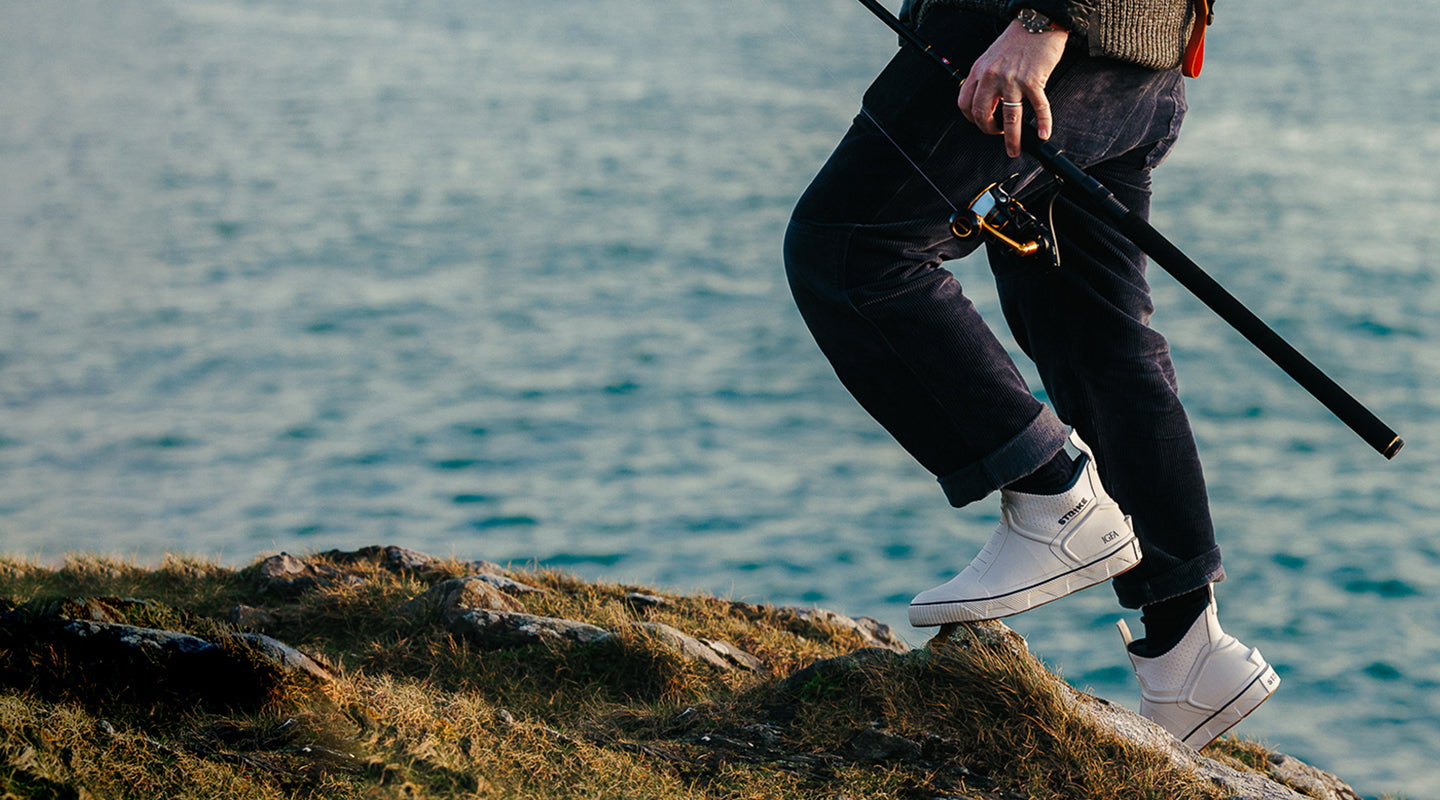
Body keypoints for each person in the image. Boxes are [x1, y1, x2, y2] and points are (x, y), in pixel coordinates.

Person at [783, 0, 1279, 748]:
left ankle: (1055, 497)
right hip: (1135, 60)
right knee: (1090, 334)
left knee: (851, 250)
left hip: (1037, 39)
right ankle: (1190, 650)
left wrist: (1044, 23)